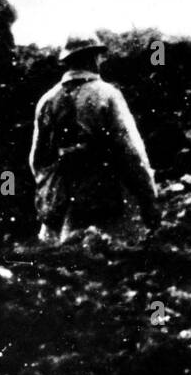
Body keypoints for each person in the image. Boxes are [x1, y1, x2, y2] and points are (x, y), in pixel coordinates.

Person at [30, 35, 159, 242]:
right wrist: (148, 198)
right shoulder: (107, 95)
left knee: (61, 262)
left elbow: (38, 160)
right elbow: (132, 153)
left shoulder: (47, 100)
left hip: (61, 205)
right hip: (104, 202)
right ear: (92, 58)